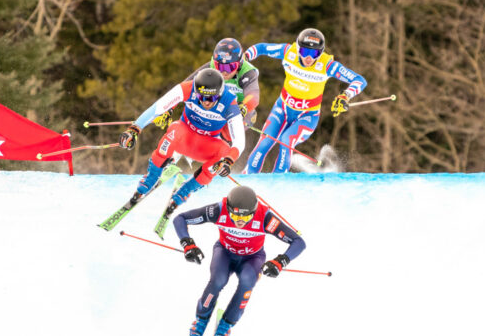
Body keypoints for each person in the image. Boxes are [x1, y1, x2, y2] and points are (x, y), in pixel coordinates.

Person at [172, 185, 306, 336]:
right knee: (217, 280)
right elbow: (180, 219)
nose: (239, 221)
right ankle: (201, 319)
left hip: (252, 258)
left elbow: (298, 242)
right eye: (234, 215)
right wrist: (188, 244)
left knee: (247, 281)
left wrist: (281, 261)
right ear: (228, 209)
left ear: (254, 212)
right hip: (225, 253)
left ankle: (226, 325)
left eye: (246, 216)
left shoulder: (265, 218)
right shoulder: (218, 211)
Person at [118, 68, 245, 217]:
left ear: (219, 94)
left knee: (224, 152)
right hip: (183, 138)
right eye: (201, 96)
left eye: (210, 98)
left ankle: (186, 191)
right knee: (175, 130)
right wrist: (134, 129)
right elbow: (157, 108)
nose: (205, 102)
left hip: (206, 146)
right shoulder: (187, 88)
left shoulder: (229, 102)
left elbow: (239, 142)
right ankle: (150, 179)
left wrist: (228, 161)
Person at [242, 28, 367, 173]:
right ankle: (247, 178)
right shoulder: (289, 52)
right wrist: (245, 57)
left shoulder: (327, 65)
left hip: (307, 116)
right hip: (282, 108)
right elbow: (261, 48)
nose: (308, 58)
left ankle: (277, 182)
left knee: (286, 141)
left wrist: (346, 95)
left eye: (314, 53)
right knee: (265, 142)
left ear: (320, 53)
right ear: (298, 48)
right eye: (304, 52)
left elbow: (359, 80)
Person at [152, 38, 261, 132]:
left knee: (227, 132)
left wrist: (244, 107)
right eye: (220, 66)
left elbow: (254, 95)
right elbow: (184, 87)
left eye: (230, 67)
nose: (224, 72)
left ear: (240, 63)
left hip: (240, 109)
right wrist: (169, 109)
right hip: (218, 106)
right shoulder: (211, 67)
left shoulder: (247, 73)